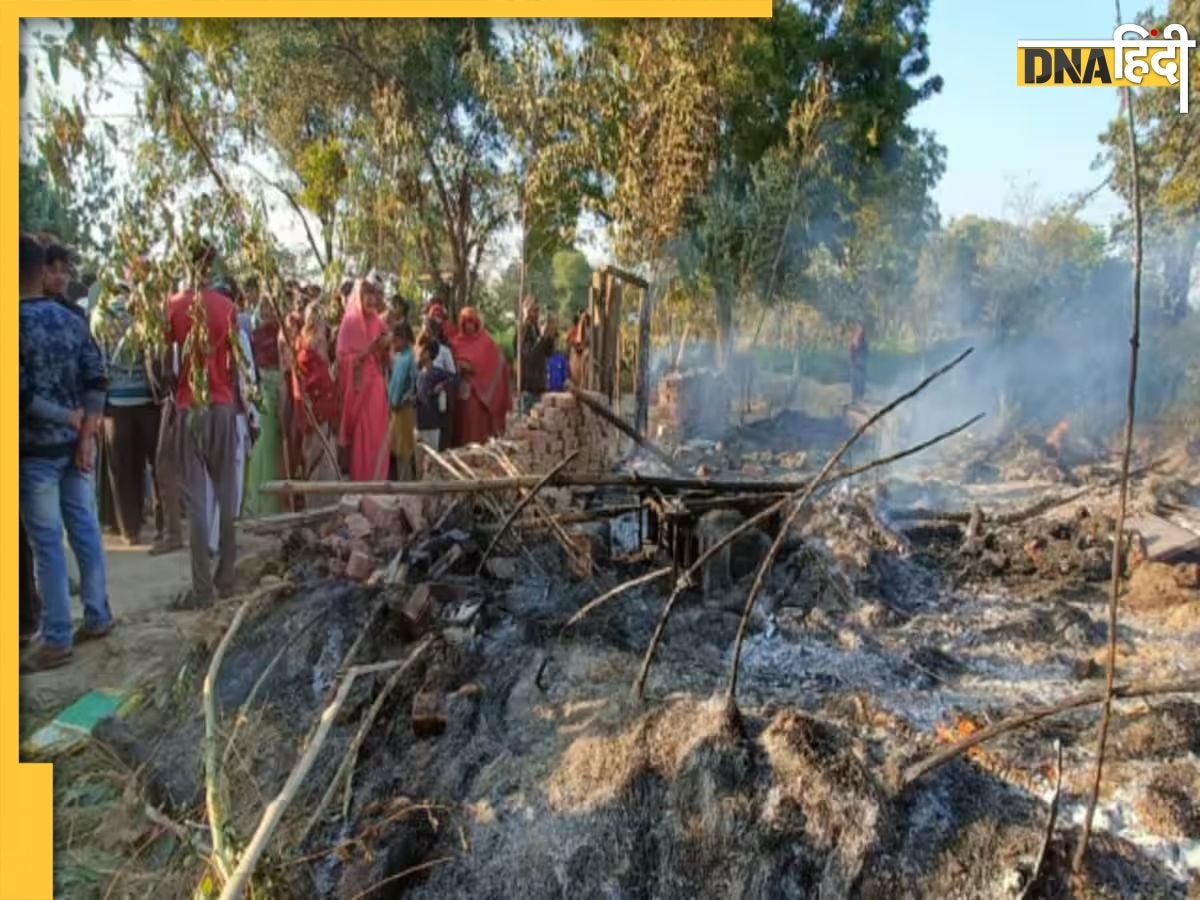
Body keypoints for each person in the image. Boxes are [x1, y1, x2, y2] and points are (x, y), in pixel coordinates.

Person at [19, 233, 112, 671]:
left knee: (47, 544)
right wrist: (86, 432)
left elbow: (17, 397)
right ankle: (97, 614)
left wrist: (66, 420)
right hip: (75, 449)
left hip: (35, 450)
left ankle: (56, 636)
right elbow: (97, 377)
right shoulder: (72, 320)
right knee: (84, 530)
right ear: (42, 271)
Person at [166, 242, 240, 608]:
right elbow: (236, 364)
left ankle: (202, 589)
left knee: (197, 499)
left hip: (189, 404)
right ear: (211, 265)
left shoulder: (174, 306)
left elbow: (166, 363)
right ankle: (227, 578)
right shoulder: (227, 308)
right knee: (226, 493)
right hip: (223, 403)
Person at [90, 282, 161, 546]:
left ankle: (129, 530)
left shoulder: (100, 316)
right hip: (147, 402)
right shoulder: (144, 313)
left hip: (116, 405)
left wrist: (99, 405)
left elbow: (101, 364)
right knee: (154, 464)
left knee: (122, 470)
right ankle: (163, 524)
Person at [336, 279, 390, 481]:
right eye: (366, 294)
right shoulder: (349, 324)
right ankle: (361, 484)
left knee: (378, 436)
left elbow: (386, 358)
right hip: (358, 390)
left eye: (373, 294)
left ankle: (379, 481)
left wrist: (385, 346)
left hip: (376, 387)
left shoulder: (378, 322)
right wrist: (362, 354)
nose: (371, 299)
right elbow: (342, 360)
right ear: (358, 297)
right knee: (362, 440)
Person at [243, 298, 284, 517]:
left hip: (282, 392)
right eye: (265, 307)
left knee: (277, 448)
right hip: (263, 393)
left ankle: (277, 502)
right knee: (264, 447)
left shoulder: (284, 334)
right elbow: (250, 368)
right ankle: (262, 504)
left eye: (272, 307)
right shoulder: (254, 337)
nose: (268, 311)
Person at [451, 307, 512, 445]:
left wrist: (475, 371)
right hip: (460, 394)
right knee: (461, 428)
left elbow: (499, 362)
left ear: (477, 323)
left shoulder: (486, 342)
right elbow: (449, 363)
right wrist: (459, 366)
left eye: (472, 322)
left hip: (478, 397)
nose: (469, 326)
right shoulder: (455, 343)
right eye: (466, 322)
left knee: (476, 429)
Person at [387, 321, 418, 479]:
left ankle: (406, 483)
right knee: (398, 447)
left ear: (405, 339)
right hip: (396, 410)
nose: (393, 343)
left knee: (404, 448)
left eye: (396, 340)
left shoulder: (409, 359)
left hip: (403, 410)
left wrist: (404, 399)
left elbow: (413, 385)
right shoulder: (401, 358)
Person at [516, 296, 555, 415]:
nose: (537, 313)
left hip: (539, 385)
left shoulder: (535, 328)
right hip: (529, 388)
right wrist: (542, 338)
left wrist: (550, 336)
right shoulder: (522, 331)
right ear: (526, 311)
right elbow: (530, 356)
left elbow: (548, 353)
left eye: (537, 310)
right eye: (534, 310)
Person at [415, 339, 455, 453]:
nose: (419, 353)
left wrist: (441, 386)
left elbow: (454, 378)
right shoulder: (420, 374)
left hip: (433, 422)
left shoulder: (437, 372)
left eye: (422, 351)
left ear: (428, 353)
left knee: (432, 456)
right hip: (420, 422)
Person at [567, 310, 591, 389]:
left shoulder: (589, 329)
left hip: (583, 353)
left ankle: (583, 382)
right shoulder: (574, 329)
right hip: (576, 355)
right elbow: (573, 341)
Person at [849, 322, 868, 404]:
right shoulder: (853, 342)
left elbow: (866, 353)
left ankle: (860, 398)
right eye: (859, 331)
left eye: (862, 331)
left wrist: (862, 361)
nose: (860, 333)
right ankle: (854, 398)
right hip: (855, 365)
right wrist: (853, 361)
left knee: (861, 382)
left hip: (862, 365)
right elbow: (851, 353)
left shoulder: (864, 343)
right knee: (854, 382)